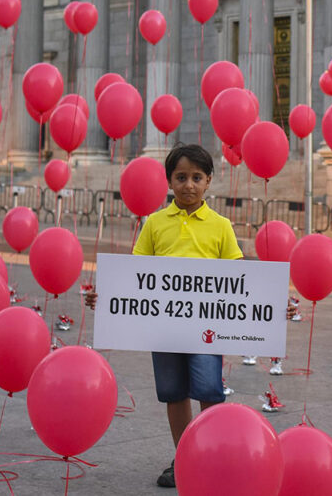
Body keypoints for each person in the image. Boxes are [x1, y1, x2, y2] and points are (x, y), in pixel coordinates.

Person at [85, 144, 241, 488]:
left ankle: (215, 455)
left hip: (206, 329)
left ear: (209, 181)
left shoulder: (221, 226)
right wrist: (108, 297)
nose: (189, 185)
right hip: (163, 328)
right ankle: (185, 456)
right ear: (169, 181)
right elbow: (135, 274)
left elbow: (241, 281)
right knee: (173, 392)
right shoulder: (155, 224)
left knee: (210, 391)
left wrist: (274, 306)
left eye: (196, 177)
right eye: (181, 177)